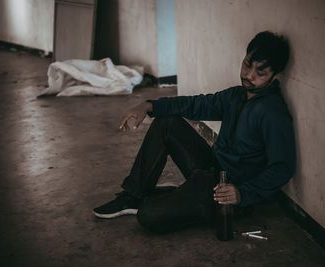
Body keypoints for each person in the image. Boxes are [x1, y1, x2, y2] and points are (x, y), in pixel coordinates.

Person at [93, 31, 296, 234]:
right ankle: (133, 195)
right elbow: (196, 104)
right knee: (167, 123)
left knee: (147, 215)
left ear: (275, 75)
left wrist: (242, 194)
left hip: (227, 194)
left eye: (260, 72)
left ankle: (171, 195)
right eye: (247, 64)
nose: (249, 75)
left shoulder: (273, 112)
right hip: (211, 169)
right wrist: (149, 105)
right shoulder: (236, 95)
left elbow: (282, 167)